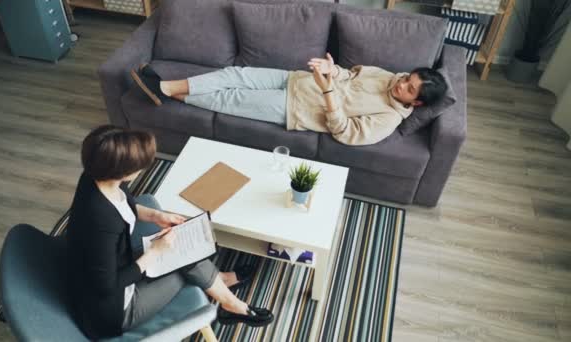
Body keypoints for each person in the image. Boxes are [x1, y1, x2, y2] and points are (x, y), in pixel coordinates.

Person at [66, 125, 273, 340]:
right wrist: (156, 252)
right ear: (122, 171)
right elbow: (107, 287)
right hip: (113, 310)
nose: (142, 170)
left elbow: (124, 206)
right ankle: (232, 304)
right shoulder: (100, 219)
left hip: (118, 263)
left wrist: (156, 216)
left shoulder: (96, 177)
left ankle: (220, 282)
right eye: (139, 166)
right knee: (182, 255)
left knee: (180, 248)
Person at [130, 53, 448, 146]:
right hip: (295, 78)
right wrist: (331, 71)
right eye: (408, 77)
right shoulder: (387, 76)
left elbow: (346, 133)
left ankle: (161, 90)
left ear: (416, 103)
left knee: (231, 98)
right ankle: (166, 89)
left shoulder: (389, 119)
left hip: (295, 109)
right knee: (233, 74)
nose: (402, 83)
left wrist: (327, 92)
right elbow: (350, 75)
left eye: (409, 88)